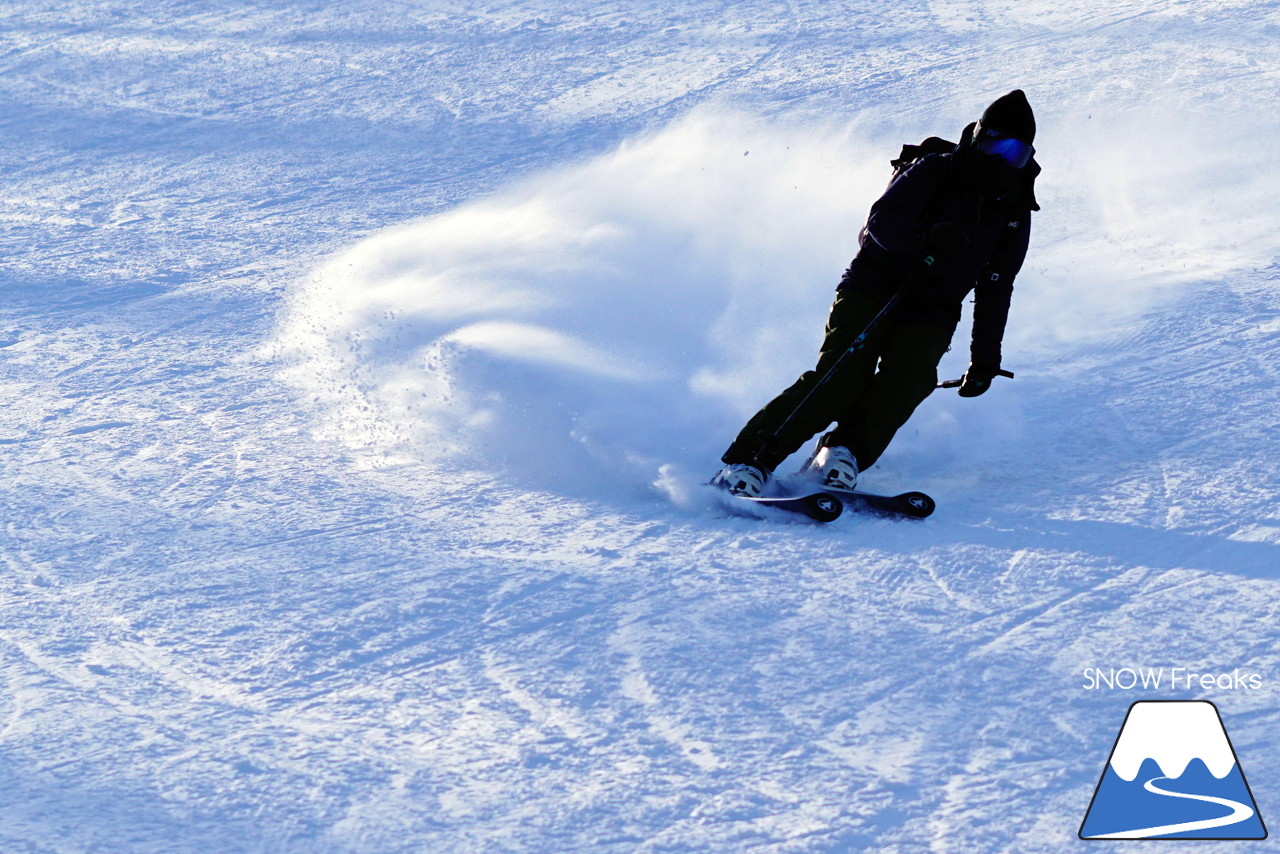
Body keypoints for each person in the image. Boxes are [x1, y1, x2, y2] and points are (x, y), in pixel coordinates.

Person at [713, 90, 1041, 497]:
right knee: (841, 378)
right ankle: (749, 460)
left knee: (910, 380)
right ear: (977, 138)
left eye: (1016, 154)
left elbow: (997, 285)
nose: (1001, 160)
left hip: (934, 310)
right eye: (995, 145)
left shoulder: (1013, 209)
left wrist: (985, 359)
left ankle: (841, 452)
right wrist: (925, 239)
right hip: (875, 288)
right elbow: (877, 224)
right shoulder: (933, 171)